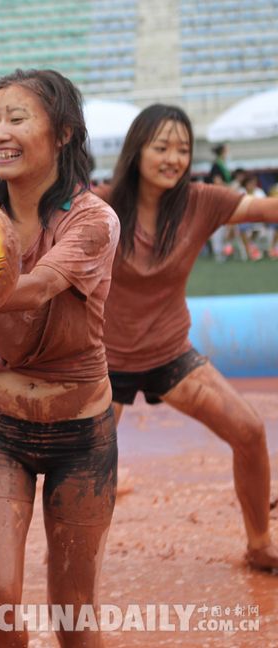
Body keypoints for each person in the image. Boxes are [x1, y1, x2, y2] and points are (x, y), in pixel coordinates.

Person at [0, 69, 120, 647]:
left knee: (74, 613)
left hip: (83, 437)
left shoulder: (92, 219)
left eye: (17, 119)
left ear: (64, 132)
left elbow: (36, 286)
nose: (0, 132)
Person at [97, 104, 278, 572]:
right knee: (87, 474)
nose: (173, 158)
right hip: (103, 364)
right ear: (137, 152)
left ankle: (259, 543)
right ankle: (78, 563)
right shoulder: (99, 207)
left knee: (250, 432)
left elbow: (267, 207)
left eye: (182, 149)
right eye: (161, 147)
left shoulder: (202, 201)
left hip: (170, 356)